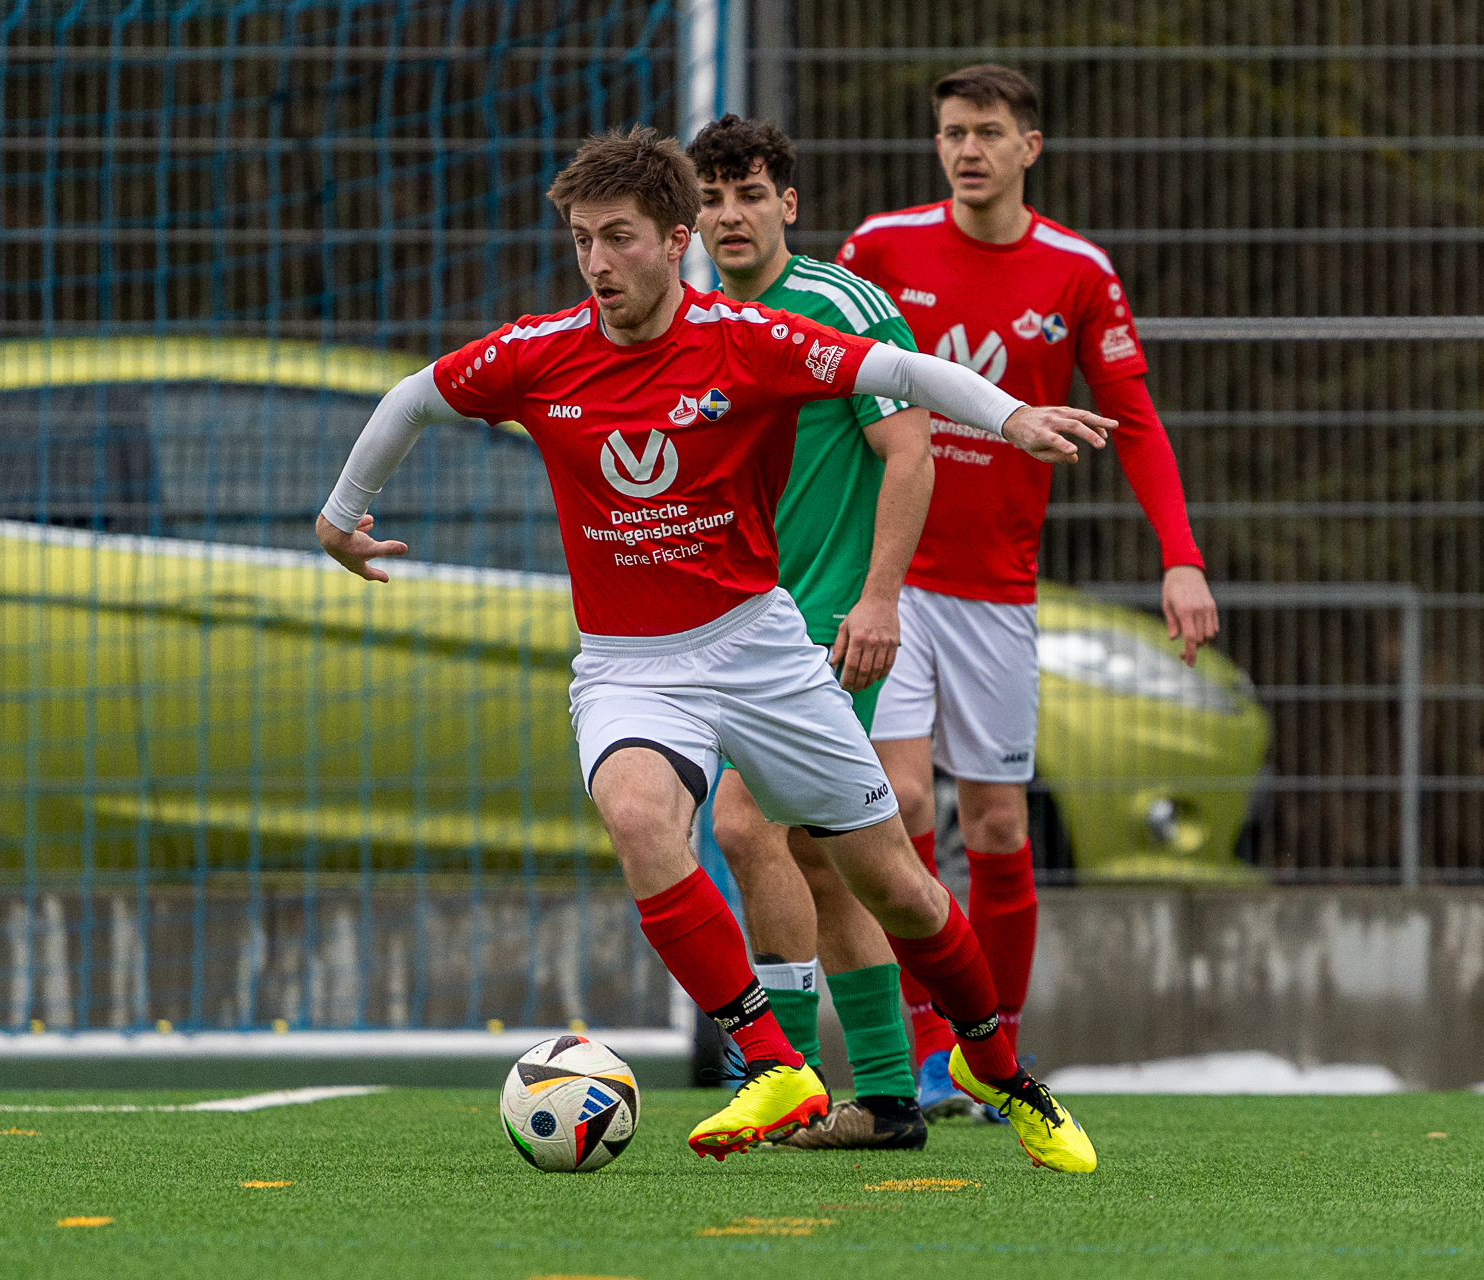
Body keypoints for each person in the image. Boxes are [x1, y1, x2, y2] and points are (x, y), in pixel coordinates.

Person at [316, 125, 1108, 1171]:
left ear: (674, 240)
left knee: (898, 887)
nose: (597, 263)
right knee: (640, 817)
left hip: (759, 649)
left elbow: (903, 371)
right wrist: (341, 515)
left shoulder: (747, 338)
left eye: (620, 238)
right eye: (582, 239)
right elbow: (413, 396)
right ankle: (773, 1060)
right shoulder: (537, 354)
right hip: (626, 664)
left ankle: (995, 1067)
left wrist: (1010, 418)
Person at [835, 64, 1219, 1119]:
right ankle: (928, 1051)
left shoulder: (1077, 272)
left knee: (1000, 825)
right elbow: (824, 379)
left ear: (1029, 148)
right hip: (890, 579)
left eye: (989, 132)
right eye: (953, 132)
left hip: (997, 592)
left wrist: (1180, 555)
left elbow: (1133, 419)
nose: (968, 150)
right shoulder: (881, 248)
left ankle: (989, 1047)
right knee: (902, 804)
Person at [686, 114, 930, 1151]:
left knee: (746, 825)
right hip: (737, 630)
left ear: (787, 204)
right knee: (825, 862)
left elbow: (910, 449)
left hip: (829, 624)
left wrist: (879, 600)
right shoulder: (689, 321)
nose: (730, 215)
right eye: (711, 197)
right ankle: (886, 1097)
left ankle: (779, 1072)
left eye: (750, 194)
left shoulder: (840, 306)